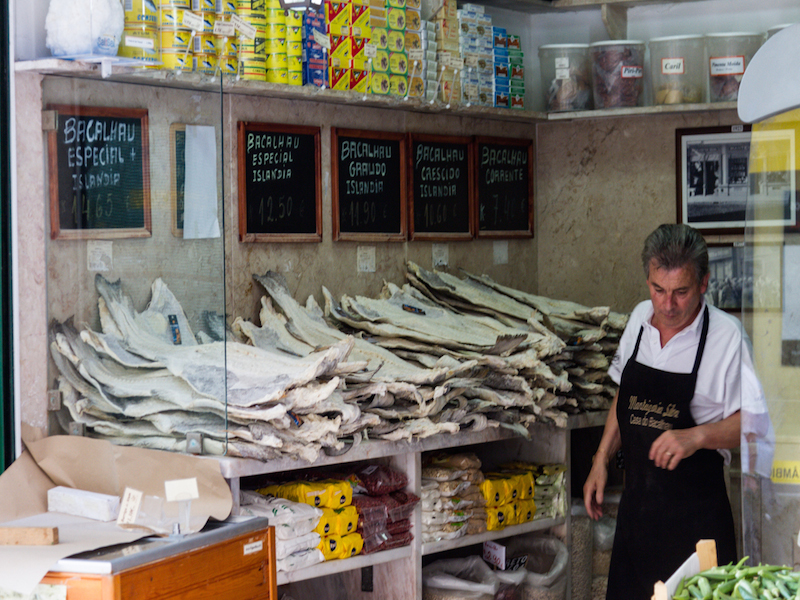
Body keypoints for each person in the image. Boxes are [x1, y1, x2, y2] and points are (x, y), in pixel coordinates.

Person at [583, 223, 765, 600]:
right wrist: (601, 458)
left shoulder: (727, 337)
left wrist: (697, 436)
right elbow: (625, 397)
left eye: (680, 292)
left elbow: (756, 424)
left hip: (696, 526)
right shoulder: (637, 320)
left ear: (703, 283)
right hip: (637, 519)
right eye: (658, 290)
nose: (667, 305)